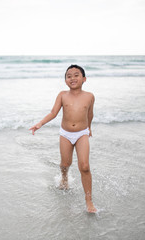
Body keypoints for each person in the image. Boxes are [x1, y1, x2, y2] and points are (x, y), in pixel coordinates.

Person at [29, 64, 97, 213]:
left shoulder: (89, 96)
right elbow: (53, 113)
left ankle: (89, 201)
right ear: (65, 80)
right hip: (65, 134)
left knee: (84, 167)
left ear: (84, 79)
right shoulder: (62, 95)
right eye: (68, 76)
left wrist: (89, 128)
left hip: (82, 133)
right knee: (65, 163)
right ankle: (64, 178)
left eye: (76, 75)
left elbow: (89, 114)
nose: (72, 78)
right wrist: (39, 124)